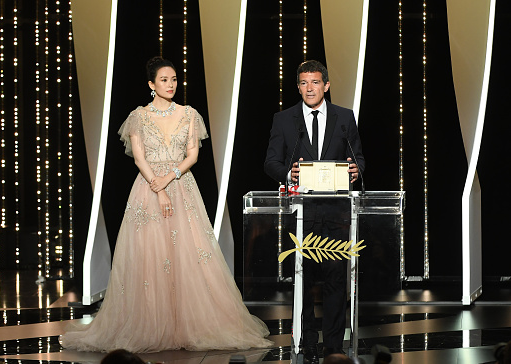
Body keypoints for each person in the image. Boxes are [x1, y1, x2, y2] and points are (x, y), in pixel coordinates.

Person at [60, 56, 272, 353]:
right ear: (151, 84)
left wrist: (170, 178)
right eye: (164, 80)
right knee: (149, 257)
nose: (170, 84)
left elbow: (193, 155)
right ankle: (150, 324)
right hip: (147, 189)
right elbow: (138, 157)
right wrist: (157, 187)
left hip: (182, 186)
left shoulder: (189, 114)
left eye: (173, 79)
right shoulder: (139, 116)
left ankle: (187, 323)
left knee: (189, 255)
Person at [264, 60, 365, 364]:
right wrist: (289, 174)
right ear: (298, 87)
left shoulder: (344, 118)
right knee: (304, 279)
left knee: (335, 279)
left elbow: (359, 158)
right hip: (302, 212)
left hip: (336, 212)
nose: (310, 88)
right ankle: (308, 343)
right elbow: (271, 162)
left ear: (326, 85)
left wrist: (355, 170)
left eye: (315, 82)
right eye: (304, 83)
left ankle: (333, 346)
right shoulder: (284, 120)